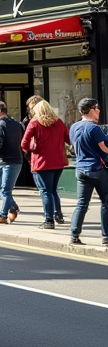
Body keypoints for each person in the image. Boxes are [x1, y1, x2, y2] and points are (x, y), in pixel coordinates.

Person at [22, 99, 70, 230]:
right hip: (58, 162)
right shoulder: (59, 122)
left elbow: (24, 144)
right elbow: (69, 138)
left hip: (41, 162)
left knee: (45, 191)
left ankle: (49, 220)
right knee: (53, 190)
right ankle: (58, 214)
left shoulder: (35, 123)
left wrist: (32, 149)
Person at [67, 97, 108, 246]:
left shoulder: (74, 127)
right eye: (96, 108)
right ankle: (106, 237)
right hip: (96, 169)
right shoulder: (94, 129)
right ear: (90, 109)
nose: (98, 111)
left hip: (81, 169)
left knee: (82, 204)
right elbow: (104, 149)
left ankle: (74, 235)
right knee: (106, 202)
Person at [0, 101, 24, 225]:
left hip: (5, 161)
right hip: (17, 160)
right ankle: (13, 208)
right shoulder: (17, 124)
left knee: (5, 190)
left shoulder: (0, 125)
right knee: (3, 190)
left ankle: (3, 216)